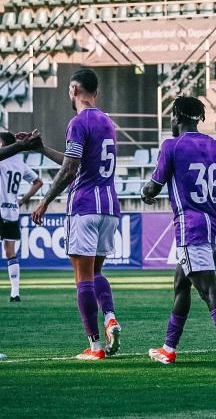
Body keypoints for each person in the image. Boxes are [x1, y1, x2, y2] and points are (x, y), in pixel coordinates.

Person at [141, 96, 216, 367]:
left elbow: (154, 186)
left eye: (171, 116)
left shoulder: (172, 146)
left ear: (177, 116)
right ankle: (168, 348)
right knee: (181, 283)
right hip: (212, 223)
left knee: (207, 288)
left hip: (190, 226)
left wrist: (146, 193)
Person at [31, 68, 121, 361]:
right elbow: (77, 160)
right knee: (96, 273)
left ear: (74, 89)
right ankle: (110, 318)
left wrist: (44, 201)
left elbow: (71, 169)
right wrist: (42, 148)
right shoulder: (107, 122)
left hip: (83, 206)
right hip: (109, 207)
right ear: (96, 91)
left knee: (82, 278)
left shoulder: (78, 122)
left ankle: (95, 346)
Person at [0, 133, 43, 302]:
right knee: (10, 252)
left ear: (4, 144)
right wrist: (23, 201)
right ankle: (15, 292)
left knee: (9, 252)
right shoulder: (20, 163)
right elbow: (38, 182)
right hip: (11, 210)